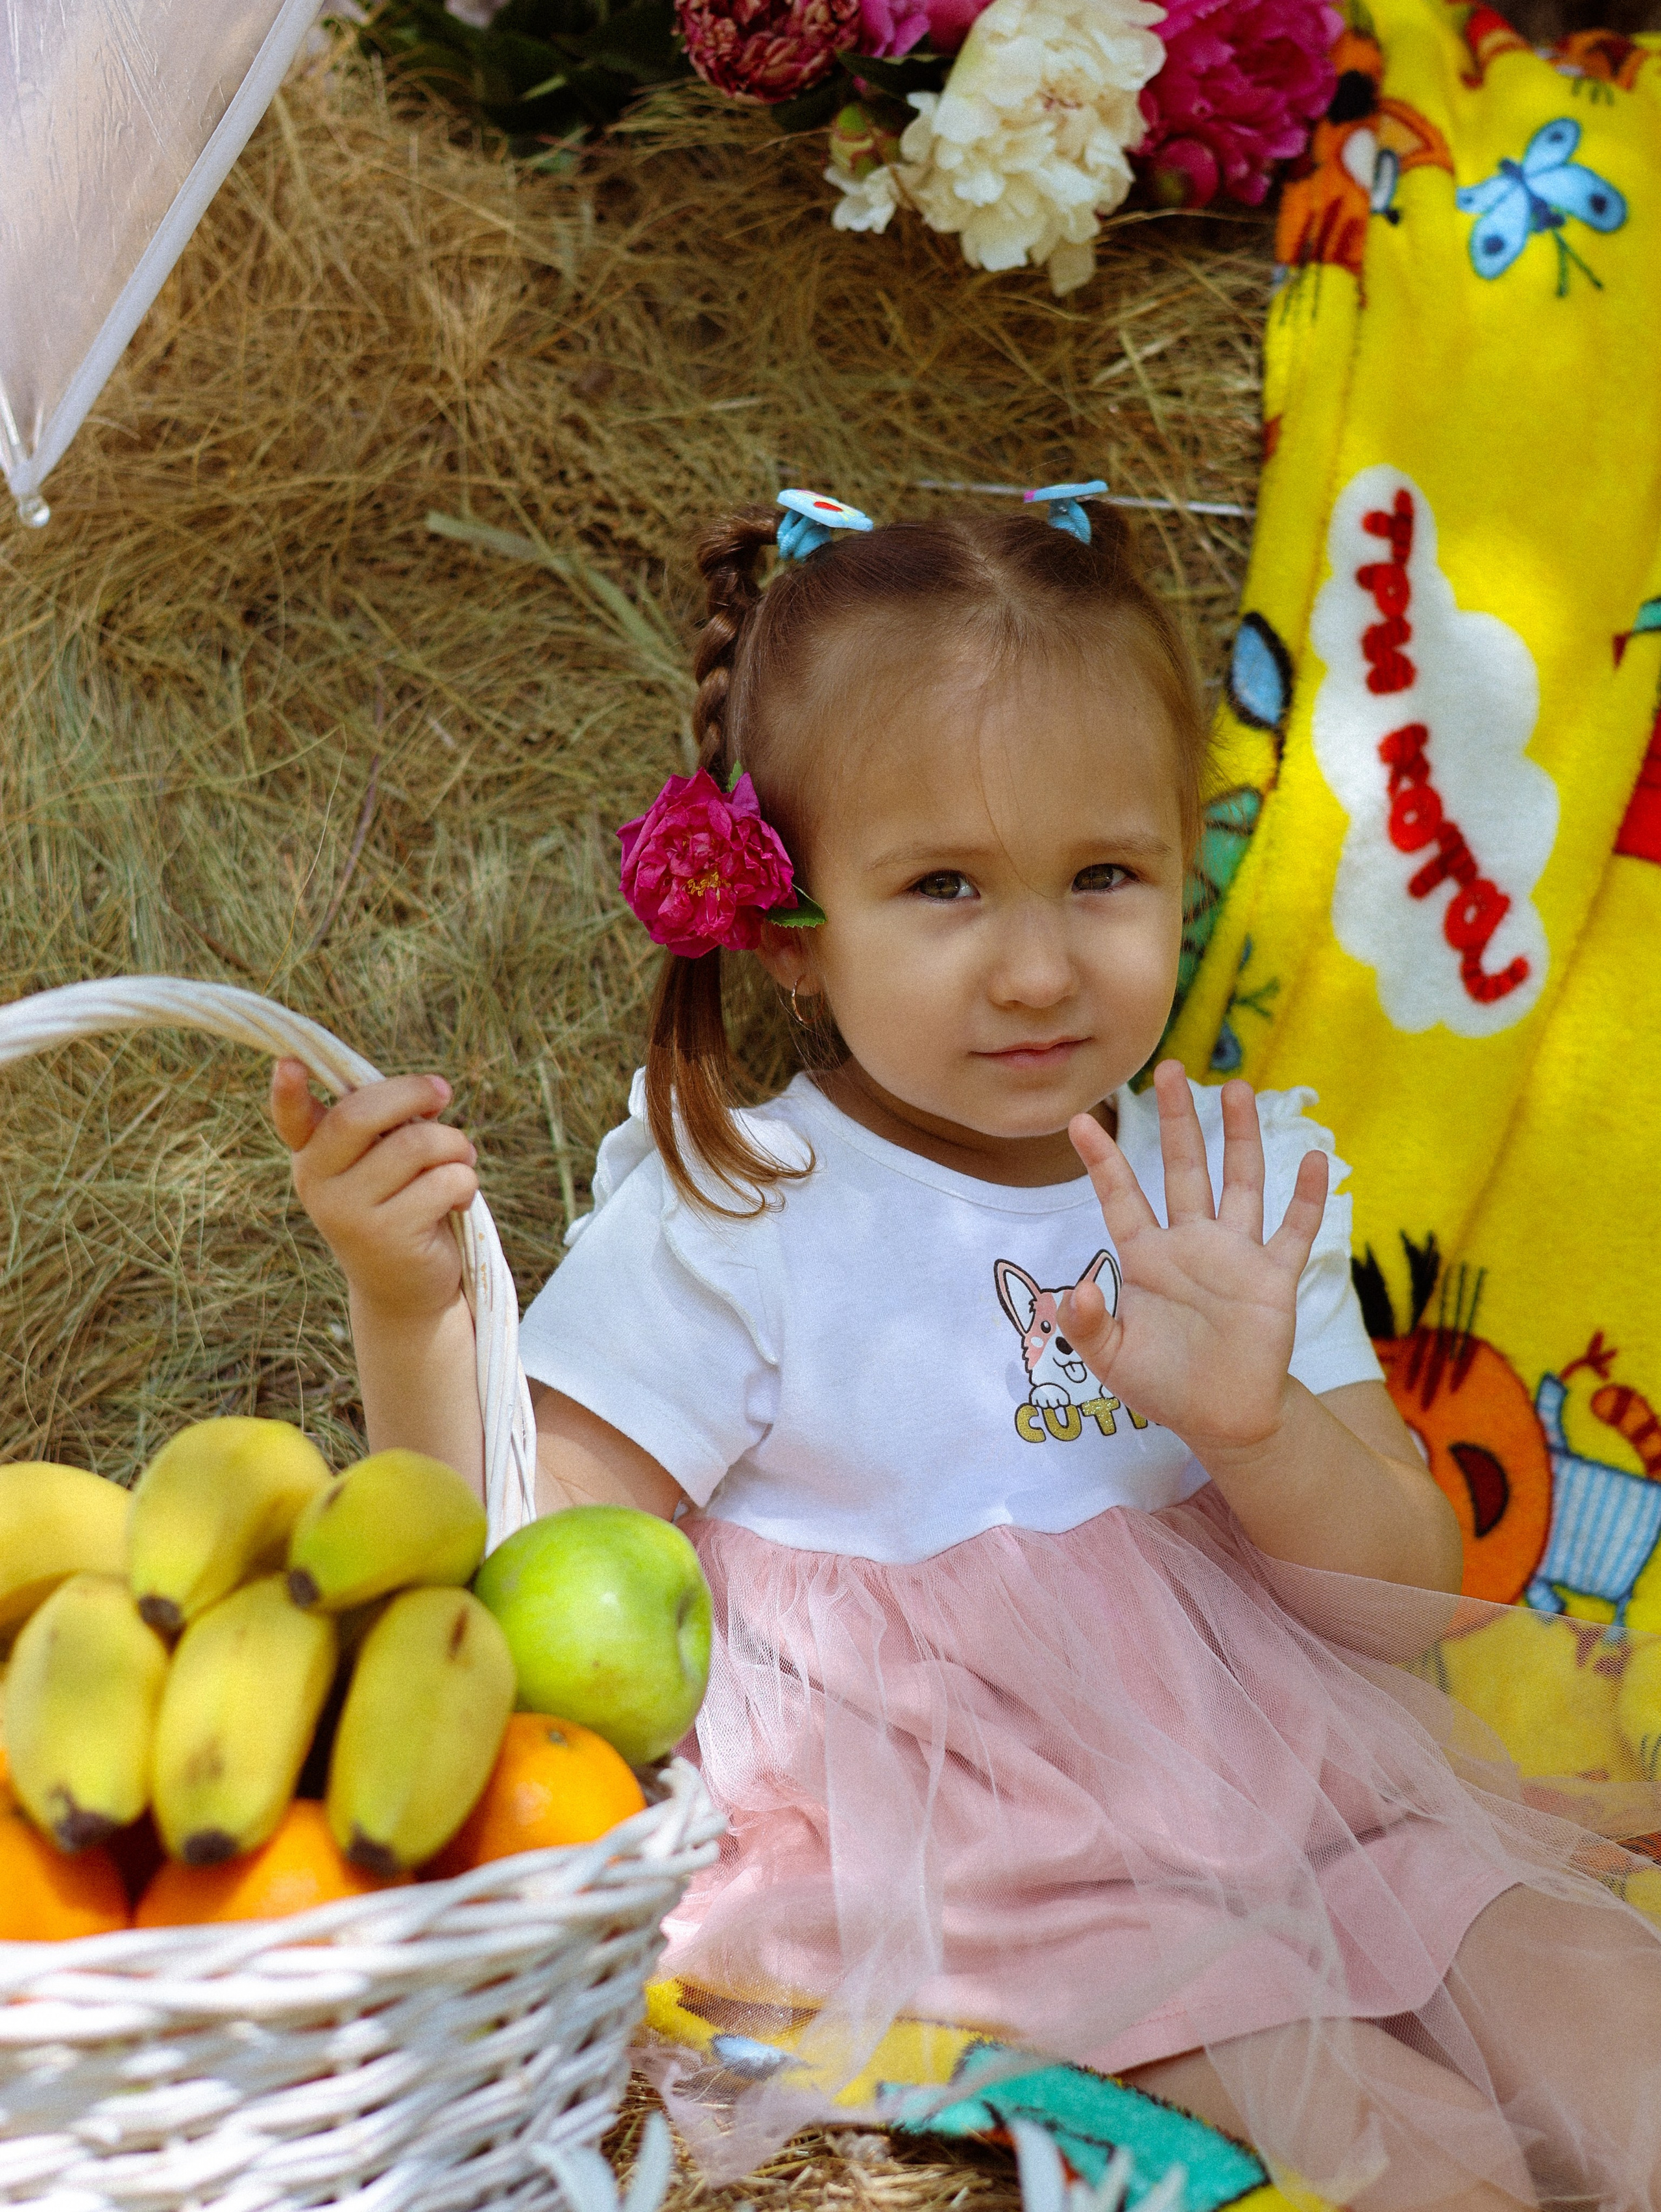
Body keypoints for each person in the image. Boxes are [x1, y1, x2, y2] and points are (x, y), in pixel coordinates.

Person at [271, 500, 1661, 2211]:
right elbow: (518, 1573)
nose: (1038, 966)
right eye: (945, 887)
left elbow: (1409, 1604)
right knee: (1426, 2173)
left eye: (1105, 876)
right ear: (793, 930)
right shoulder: (742, 1208)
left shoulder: (1226, 1185)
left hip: (1325, 1812)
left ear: (1189, 863)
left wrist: (1259, 1429)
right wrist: (410, 1311)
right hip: (1003, 1890)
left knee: (1629, 2053)